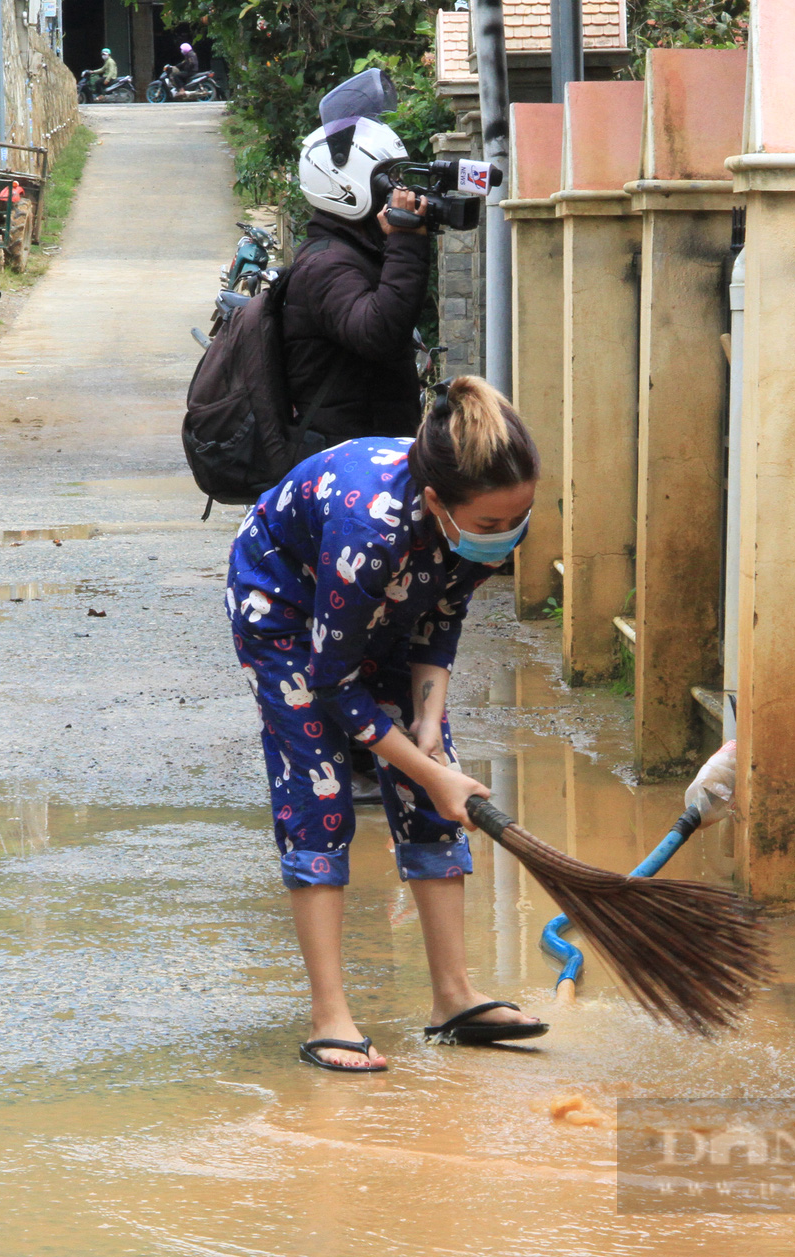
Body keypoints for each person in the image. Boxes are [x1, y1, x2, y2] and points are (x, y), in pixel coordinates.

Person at [225, 377, 548, 1072]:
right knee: (320, 790)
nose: (506, 537)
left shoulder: (476, 517)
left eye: (516, 520)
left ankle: (454, 995)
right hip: (284, 604)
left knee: (437, 790)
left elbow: (441, 617)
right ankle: (329, 1015)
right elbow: (333, 682)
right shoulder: (368, 528)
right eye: (491, 526)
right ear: (437, 503)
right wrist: (425, 769)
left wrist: (429, 730)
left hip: (379, 603)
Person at [281, 112, 431, 452]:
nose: (397, 192)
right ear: (346, 183)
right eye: (386, 182)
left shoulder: (352, 252)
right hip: (344, 464)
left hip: (364, 451)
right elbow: (379, 334)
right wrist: (406, 244)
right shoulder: (325, 265)